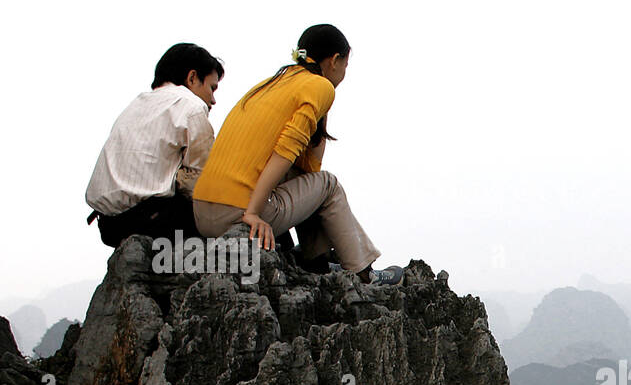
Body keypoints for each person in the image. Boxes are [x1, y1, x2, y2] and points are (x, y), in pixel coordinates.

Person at [193, 24, 401, 285]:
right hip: (236, 214)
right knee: (328, 184)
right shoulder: (320, 87)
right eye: (345, 65)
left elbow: (304, 169)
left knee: (306, 178)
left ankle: (318, 261)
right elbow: (286, 151)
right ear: (334, 61)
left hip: (201, 212)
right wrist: (253, 213)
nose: (344, 73)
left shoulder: (272, 83)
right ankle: (363, 273)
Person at [86, 43, 224, 247]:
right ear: (192, 77)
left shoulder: (136, 104)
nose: (213, 100)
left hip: (108, 225)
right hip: (154, 220)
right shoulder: (191, 106)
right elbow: (201, 182)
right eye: (212, 88)